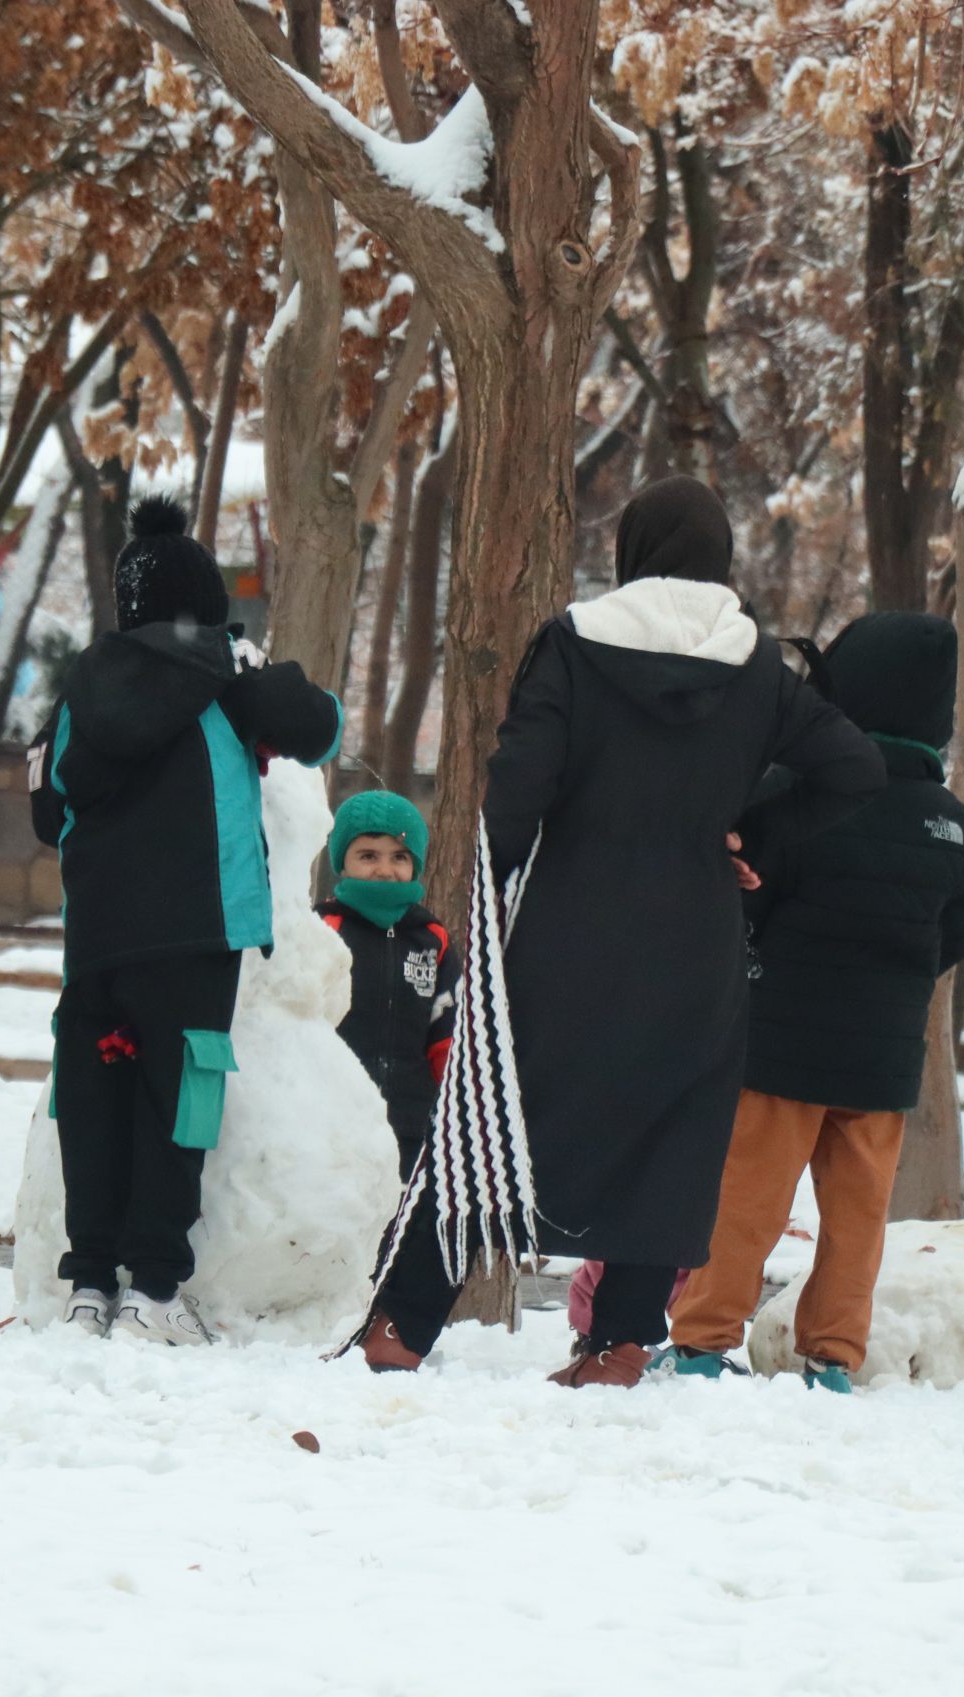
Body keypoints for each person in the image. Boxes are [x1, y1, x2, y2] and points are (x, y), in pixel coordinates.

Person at [357, 476, 884, 1384]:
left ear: (631, 550)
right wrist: (746, 832)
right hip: (695, 944)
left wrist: (496, 892)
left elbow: (517, 790)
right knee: (669, 1133)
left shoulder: (573, 644)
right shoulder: (760, 669)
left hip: (566, 931)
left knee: (494, 1108)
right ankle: (621, 1342)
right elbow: (856, 769)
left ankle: (403, 1322)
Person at [45, 497, 342, 1346]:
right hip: (196, 929)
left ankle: (88, 1285)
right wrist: (253, 665)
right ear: (208, 604)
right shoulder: (228, 678)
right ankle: (154, 1289)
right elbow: (320, 729)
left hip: (98, 933)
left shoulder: (82, 686)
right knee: (181, 1103)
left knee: (93, 1099)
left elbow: (48, 801)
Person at [659, 612, 964, 1390]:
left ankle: (703, 1339)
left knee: (746, 1202)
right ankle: (834, 1354)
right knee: (857, 1218)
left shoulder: (799, 791)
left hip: (780, 1049)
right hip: (882, 1060)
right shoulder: (950, 823)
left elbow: (745, 898)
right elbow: (953, 938)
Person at [314, 789, 458, 1177]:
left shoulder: (432, 940)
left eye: (399, 857)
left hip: (414, 1126)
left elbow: (447, 1036)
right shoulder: (322, 930)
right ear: (342, 862)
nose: (384, 869)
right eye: (368, 856)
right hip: (331, 1124)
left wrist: (454, 1110)